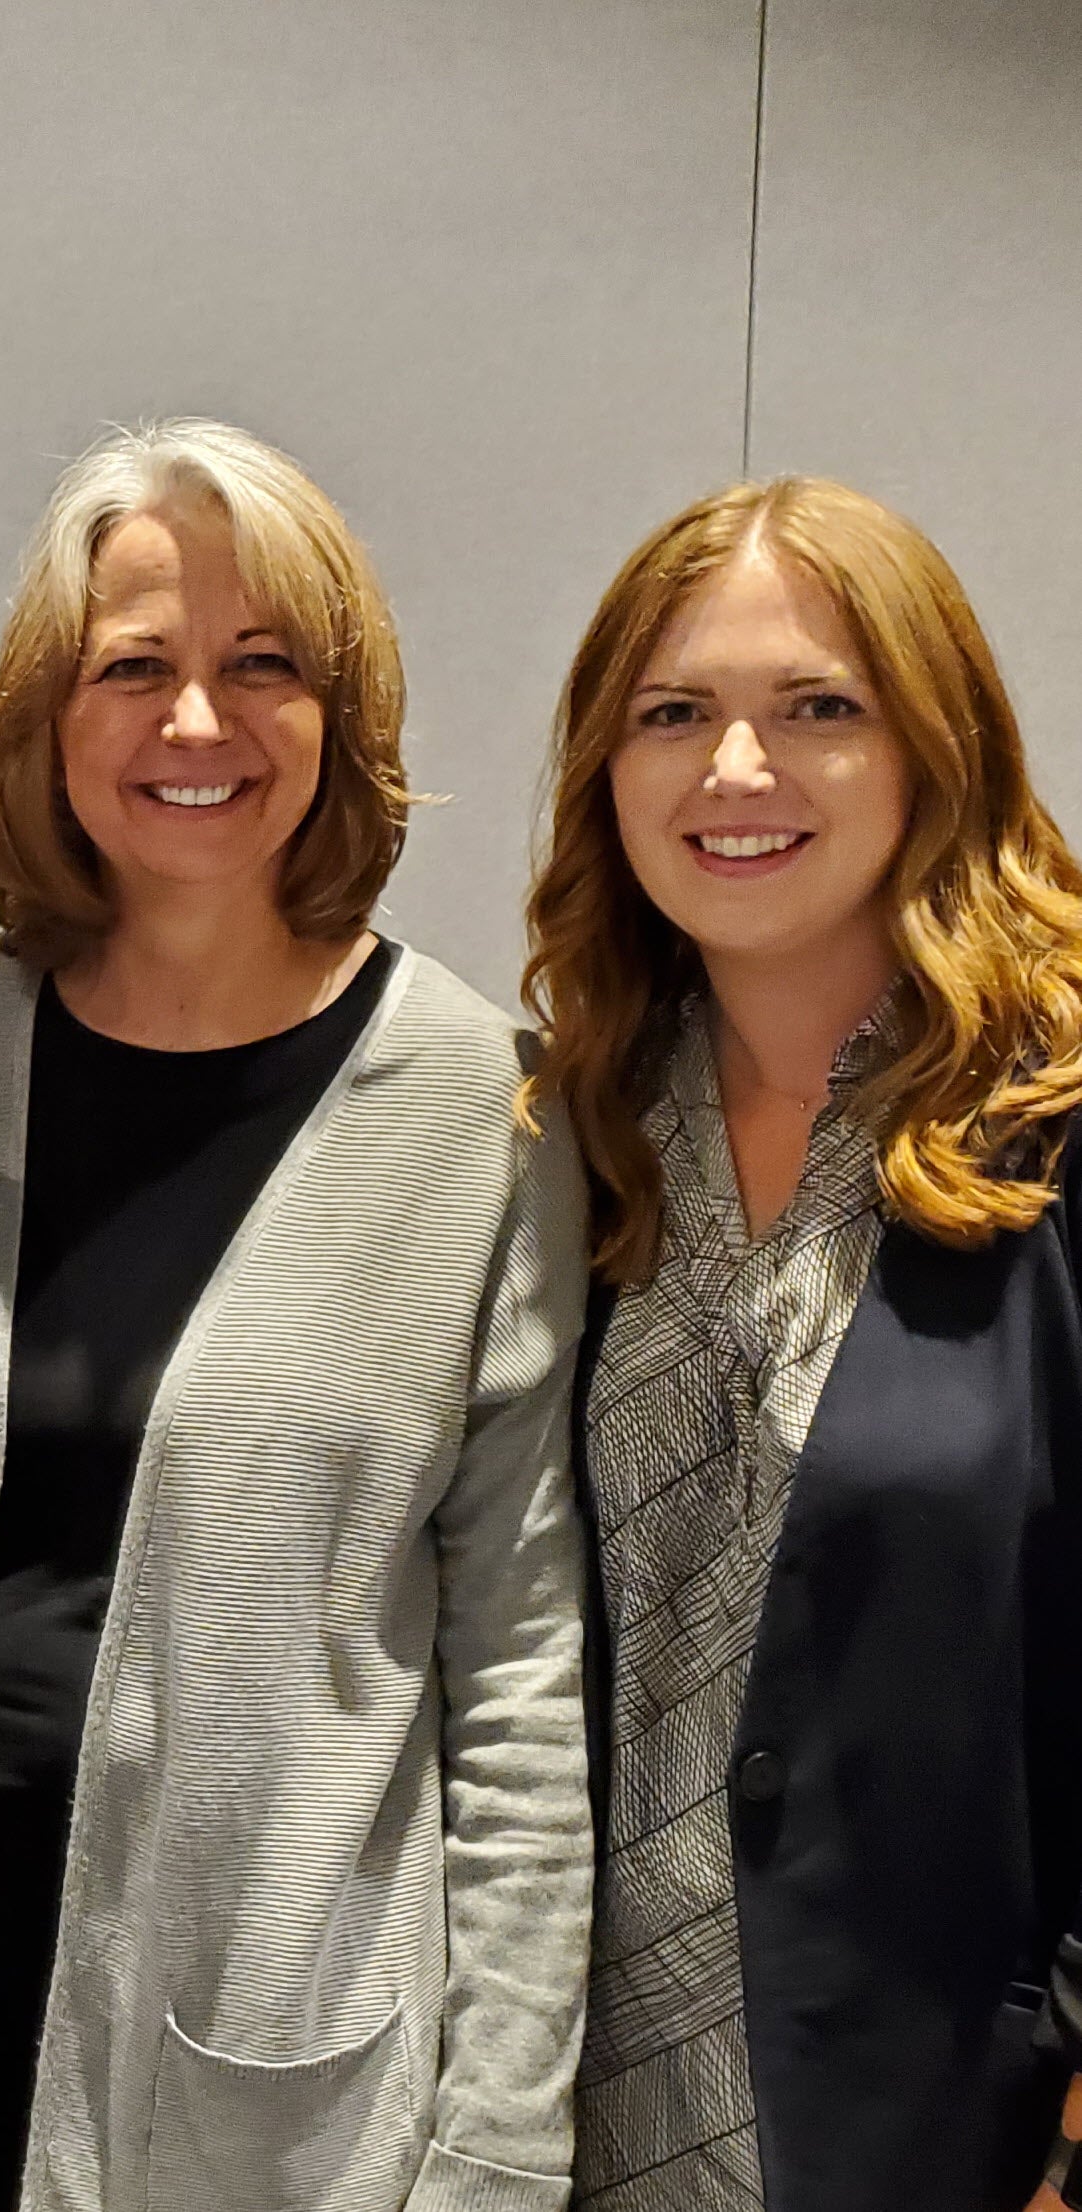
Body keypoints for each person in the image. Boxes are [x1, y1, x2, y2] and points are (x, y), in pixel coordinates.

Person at [0, 420, 593, 2212]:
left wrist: (497, 2143)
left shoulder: (481, 1109)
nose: (193, 727)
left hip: (275, 2056)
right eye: (131, 668)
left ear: (342, 713)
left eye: (261, 669)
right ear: (41, 720)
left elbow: (523, 1683)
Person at [521, 478, 1082, 2212]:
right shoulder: (566, 1133)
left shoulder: (1056, 1123)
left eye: (816, 710)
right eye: (671, 714)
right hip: (549, 2110)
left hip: (946, 2126)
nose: (733, 772)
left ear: (935, 747)